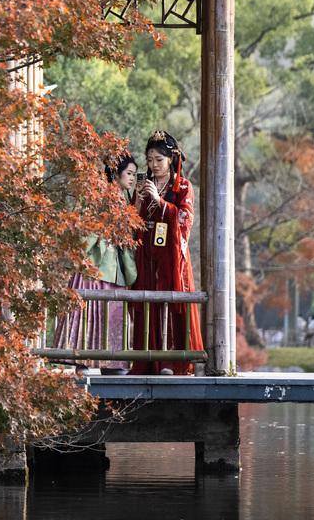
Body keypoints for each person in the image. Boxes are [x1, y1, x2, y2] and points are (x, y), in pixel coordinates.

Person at [52, 154, 139, 374]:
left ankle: (114, 362)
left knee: (112, 313)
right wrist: (105, 230)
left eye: (134, 175)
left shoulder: (124, 200)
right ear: (115, 173)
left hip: (115, 268)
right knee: (91, 312)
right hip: (94, 266)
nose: (132, 179)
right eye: (129, 173)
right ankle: (84, 361)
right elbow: (84, 231)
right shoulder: (97, 196)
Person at [130, 131, 204, 375]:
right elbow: (133, 221)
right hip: (148, 252)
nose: (153, 165)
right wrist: (139, 203)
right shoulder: (144, 185)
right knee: (146, 300)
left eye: (158, 160)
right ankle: (147, 360)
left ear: (171, 159)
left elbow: (185, 219)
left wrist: (160, 203)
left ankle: (172, 361)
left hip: (172, 256)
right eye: (149, 159)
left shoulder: (183, 186)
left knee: (171, 301)